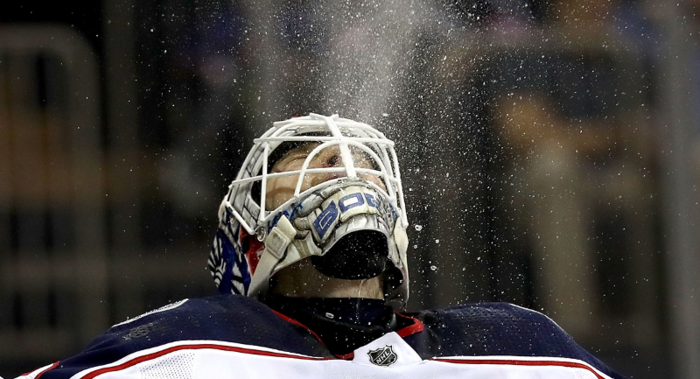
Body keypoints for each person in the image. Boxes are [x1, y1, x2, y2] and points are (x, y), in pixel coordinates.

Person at [19, 114, 626, 378]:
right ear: (247, 237)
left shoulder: (519, 343)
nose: (344, 164)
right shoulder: (188, 343)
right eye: (301, 162)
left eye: (363, 161)